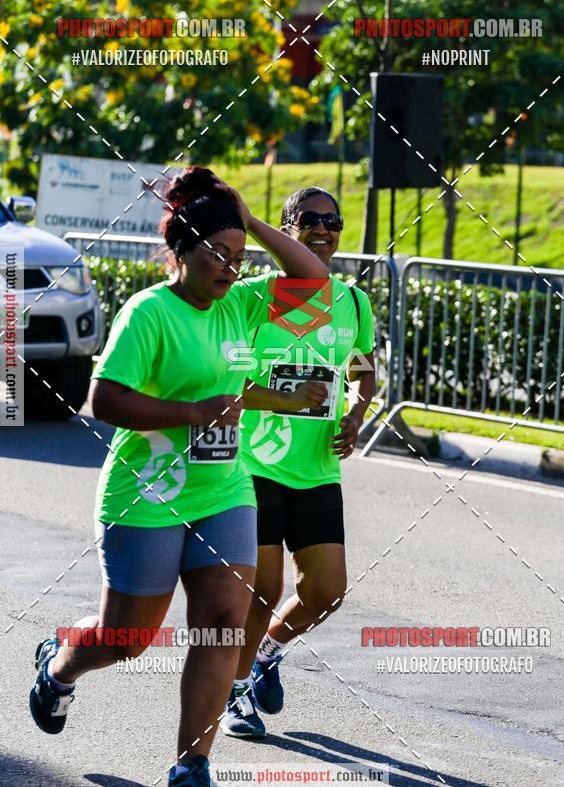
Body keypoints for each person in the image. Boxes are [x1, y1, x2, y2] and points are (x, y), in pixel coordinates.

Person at [28, 167, 328, 787]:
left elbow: (313, 278)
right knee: (127, 638)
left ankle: (193, 763)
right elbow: (103, 400)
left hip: (223, 491)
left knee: (222, 623)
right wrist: (190, 414)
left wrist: (245, 220)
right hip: (145, 494)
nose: (230, 268)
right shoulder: (149, 313)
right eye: (217, 253)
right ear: (181, 250)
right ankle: (60, 667)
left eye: (238, 257)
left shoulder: (242, 304)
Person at [220, 186, 376, 738]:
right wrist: (281, 397)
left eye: (333, 221)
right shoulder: (253, 298)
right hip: (253, 463)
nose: (323, 229)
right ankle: (234, 695)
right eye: (309, 219)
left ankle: (265, 653)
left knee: (327, 591)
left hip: (317, 470)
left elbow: (363, 370)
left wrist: (356, 416)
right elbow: (227, 381)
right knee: (263, 587)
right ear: (287, 228)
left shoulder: (353, 302)